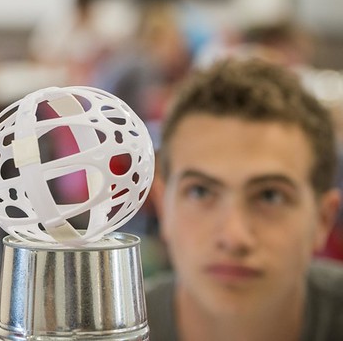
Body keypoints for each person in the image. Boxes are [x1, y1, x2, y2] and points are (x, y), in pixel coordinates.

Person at [146, 58, 343, 341]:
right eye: (200, 191)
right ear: (163, 206)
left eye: (270, 195)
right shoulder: (106, 330)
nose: (233, 237)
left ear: (323, 219)